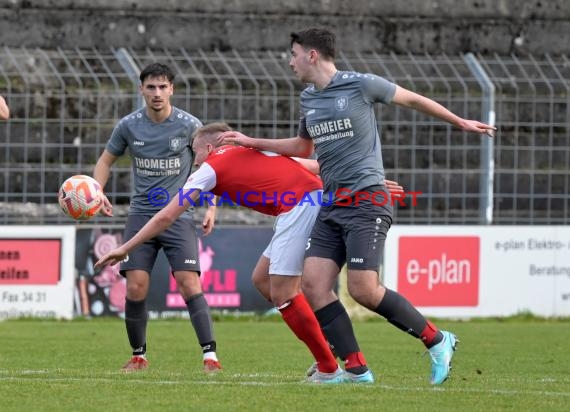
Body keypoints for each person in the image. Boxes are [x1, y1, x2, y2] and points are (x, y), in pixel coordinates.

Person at [218, 27, 497, 385]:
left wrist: (458, 121)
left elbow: (412, 99)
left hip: (367, 200)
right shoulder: (309, 99)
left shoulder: (361, 84)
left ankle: (438, 340)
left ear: (312, 55)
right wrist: (251, 141)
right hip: (332, 205)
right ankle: (355, 369)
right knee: (315, 286)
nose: (290, 62)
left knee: (363, 290)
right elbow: (304, 149)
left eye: (293, 54)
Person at [94, 121, 404, 383]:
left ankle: (329, 367)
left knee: (284, 291)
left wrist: (124, 248)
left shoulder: (211, 166)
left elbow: (165, 215)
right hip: (312, 202)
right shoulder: (252, 151)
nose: (194, 158)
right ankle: (329, 352)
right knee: (262, 280)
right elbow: (319, 165)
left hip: (299, 208)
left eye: (195, 151)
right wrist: (369, 182)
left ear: (209, 147)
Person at [93, 63, 221, 373]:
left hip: (178, 216)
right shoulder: (128, 126)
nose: (157, 93)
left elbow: (215, 165)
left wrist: (212, 206)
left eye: (163, 87)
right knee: (136, 286)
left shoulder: (190, 125)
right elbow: (105, 161)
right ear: (141, 90)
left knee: (189, 283)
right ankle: (139, 356)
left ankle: (210, 357)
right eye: (151, 87)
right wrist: (97, 191)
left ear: (172, 89)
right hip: (141, 215)